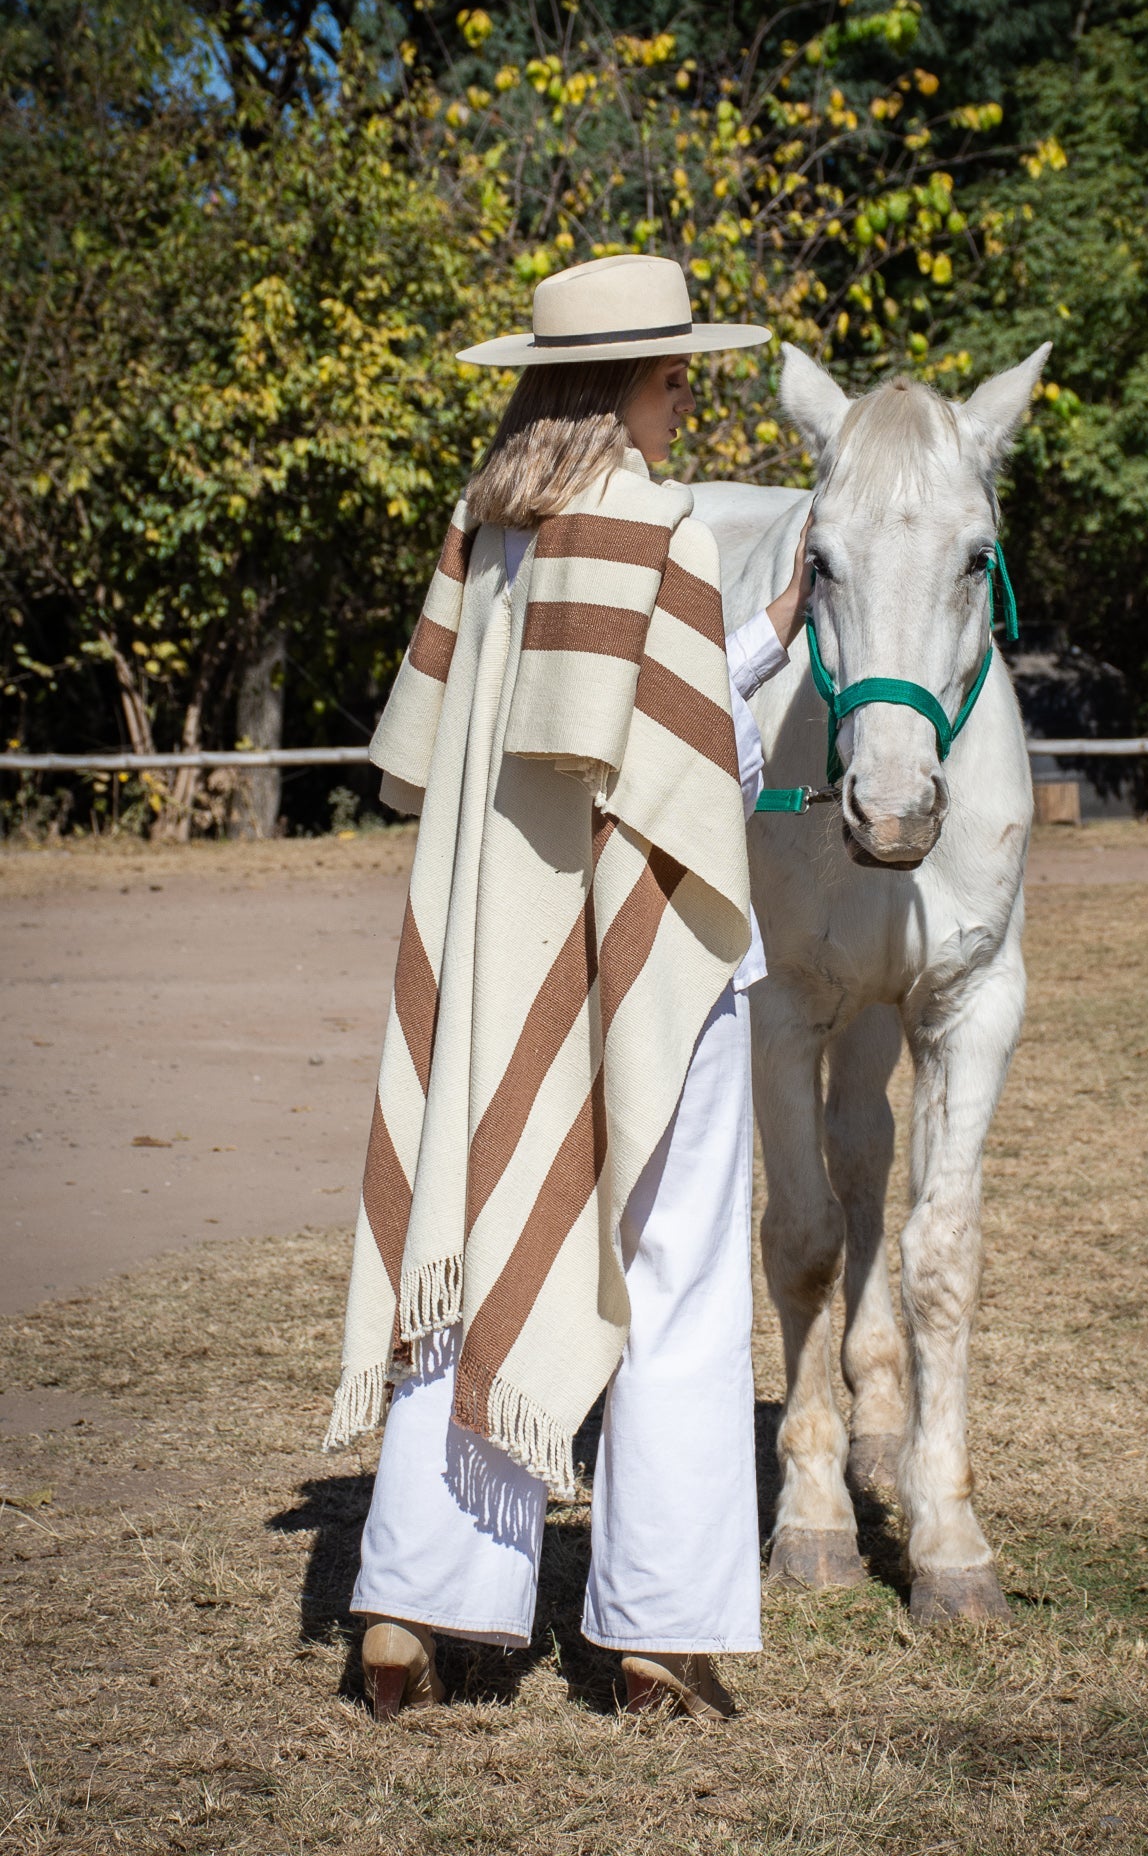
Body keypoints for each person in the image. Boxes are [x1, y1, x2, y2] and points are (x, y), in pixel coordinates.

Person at [326, 254, 810, 1723]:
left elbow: (485, 744)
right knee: (673, 1271)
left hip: (497, 948)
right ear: (620, 384)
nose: (684, 405)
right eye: (674, 380)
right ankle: (657, 1633)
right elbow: (681, 753)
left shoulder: (483, 533)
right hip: (645, 946)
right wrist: (768, 636)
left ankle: (414, 1605)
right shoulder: (656, 529)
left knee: (467, 1247)